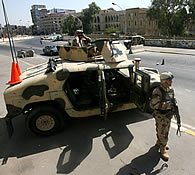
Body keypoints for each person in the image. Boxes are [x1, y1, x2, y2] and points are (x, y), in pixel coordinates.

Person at [150, 72, 176, 161]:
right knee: (163, 132)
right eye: (169, 81)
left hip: (168, 115)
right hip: (160, 115)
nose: (171, 82)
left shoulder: (170, 89)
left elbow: (173, 99)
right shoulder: (157, 91)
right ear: (164, 81)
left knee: (164, 130)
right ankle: (162, 149)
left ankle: (160, 142)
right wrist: (169, 105)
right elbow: (155, 105)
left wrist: (174, 105)